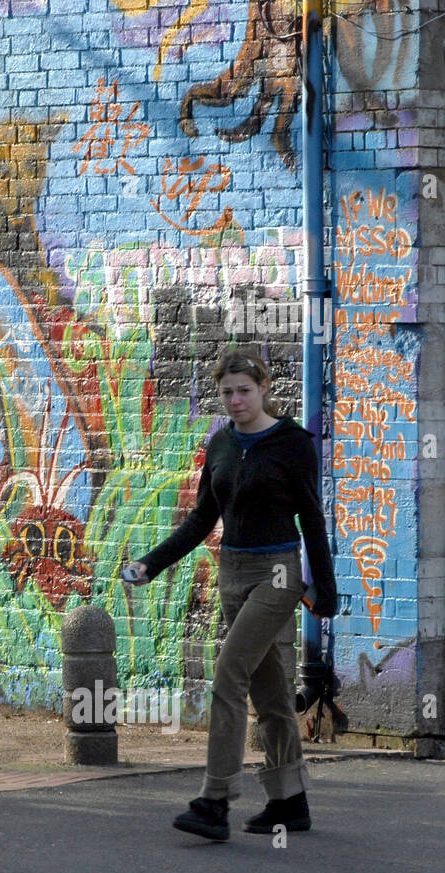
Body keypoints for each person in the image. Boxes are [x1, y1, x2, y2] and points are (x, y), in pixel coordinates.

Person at [126, 345, 337, 841]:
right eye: (227, 392)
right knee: (270, 694)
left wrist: (324, 587)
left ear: (264, 388)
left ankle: (214, 800)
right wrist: (151, 563)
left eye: (244, 390)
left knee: (228, 673)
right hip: (234, 572)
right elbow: (203, 518)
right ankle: (290, 801)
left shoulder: (292, 444)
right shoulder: (221, 444)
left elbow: (312, 518)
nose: (235, 400)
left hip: (279, 572)